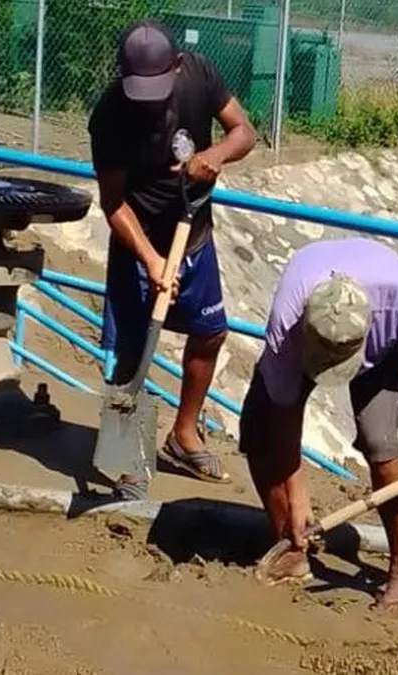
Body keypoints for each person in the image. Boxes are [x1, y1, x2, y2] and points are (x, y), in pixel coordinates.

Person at [240, 238, 398, 608]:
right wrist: (298, 496)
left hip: (384, 350)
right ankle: (291, 546)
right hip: (301, 340)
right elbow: (284, 415)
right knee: (260, 432)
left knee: (380, 443)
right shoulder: (288, 324)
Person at [88, 20, 256, 500]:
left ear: (178, 66)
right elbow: (113, 204)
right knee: (133, 351)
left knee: (210, 332)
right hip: (137, 238)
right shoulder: (110, 115)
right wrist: (152, 261)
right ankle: (128, 461)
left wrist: (216, 154)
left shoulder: (199, 74)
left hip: (193, 231)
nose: (148, 101)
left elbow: (244, 130)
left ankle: (184, 434)